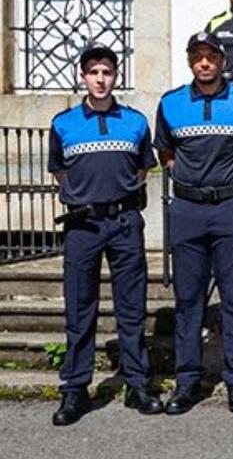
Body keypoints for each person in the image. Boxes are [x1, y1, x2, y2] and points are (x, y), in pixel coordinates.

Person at [47, 46, 162, 425]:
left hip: (125, 222)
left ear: (116, 76)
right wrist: (87, 199)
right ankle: (75, 389)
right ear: (83, 76)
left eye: (107, 72)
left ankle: (137, 384)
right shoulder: (63, 124)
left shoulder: (135, 121)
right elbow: (60, 173)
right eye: (93, 71)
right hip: (83, 226)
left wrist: (116, 199)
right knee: (80, 310)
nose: (100, 79)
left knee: (131, 309)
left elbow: (143, 169)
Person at [155, 31, 233, 415]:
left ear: (222, 61)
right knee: (188, 300)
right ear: (190, 62)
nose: (204, 63)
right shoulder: (170, 104)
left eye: (211, 57)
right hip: (187, 210)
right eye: (197, 57)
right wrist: (191, 182)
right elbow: (167, 154)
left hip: (230, 207)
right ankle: (187, 382)